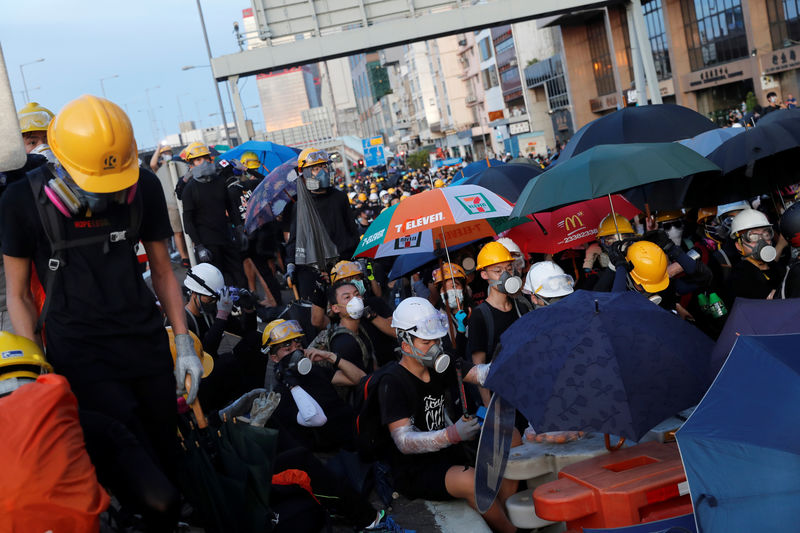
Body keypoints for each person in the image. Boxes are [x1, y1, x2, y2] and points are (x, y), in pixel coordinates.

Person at [1, 95, 202, 531]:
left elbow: (164, 270)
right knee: (128, 466)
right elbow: (17, 295)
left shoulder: (143, 187)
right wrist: (42, 377)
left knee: (166, 451)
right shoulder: (21, 202)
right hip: (79, 355)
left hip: (145, 345)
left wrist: (182, 342)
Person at [379, 297, 517, 533]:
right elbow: (403, 441)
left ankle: (500, 513)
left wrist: (515, 362)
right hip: (416, 468)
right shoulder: (392, 382)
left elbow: (481, 375)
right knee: (470, 481)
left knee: (511, 435)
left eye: (437, 339)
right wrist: (451, 434)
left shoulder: (442, 363)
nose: (435, 346)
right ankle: (511, 530)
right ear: (404, 343)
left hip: (451, 451)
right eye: (426, 341)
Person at [284, 148, 359, 329]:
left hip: (342, 263)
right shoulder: (299, 204)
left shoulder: (340, 197)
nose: (323, 171)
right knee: (315, 318)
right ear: (305, 173)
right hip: (312, 267)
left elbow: (352, 232)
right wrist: (290, 264)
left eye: (324, 166)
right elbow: (294, 240)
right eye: (316, 168)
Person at [264, 319, 364, 452]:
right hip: (336, 452)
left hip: (355, 431)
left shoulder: (315, 371)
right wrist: (291, 383)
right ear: (274, 357)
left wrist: (330, 356)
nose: (296, 353)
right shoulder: (280, 394)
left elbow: (360, 378)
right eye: (288, 349)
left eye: (298, 347)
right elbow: (316, 418)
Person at [467, 241, 527, 406]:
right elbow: (478, 368)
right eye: (498, 271)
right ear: (484, 275)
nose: (505, 275)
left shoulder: (521, 305)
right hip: (502, 398)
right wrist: (490, 409)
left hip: (528, 388)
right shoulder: (479, 316)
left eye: (508, 269)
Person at [181, 141, 247, 287]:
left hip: (226, 237)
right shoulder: (189, 189)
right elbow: (188, 221)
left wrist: (239, 229)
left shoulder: (220, 181)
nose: (203, 163)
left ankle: (247, 308)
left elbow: (231, 208)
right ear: (191, 164)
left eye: (205, 158)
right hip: (207, 243)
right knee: (216, 283)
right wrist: (199, 246)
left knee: (239, 275)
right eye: (198, 160)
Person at [729, 209, 786, 300]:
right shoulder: (740, 276)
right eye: (753, 236)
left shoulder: (774, 266)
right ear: (739, 246)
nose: (762, 241)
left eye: (766, 234)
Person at [149, 144, 190, 267]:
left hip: (183, 202)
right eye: (164, 153)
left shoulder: (178, 165)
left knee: (188, 230)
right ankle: (184, 257)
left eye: (168, 152)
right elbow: (152, 164)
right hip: (171, 205)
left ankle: (191, 252)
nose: (167, 154)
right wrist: (158, 148)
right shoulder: (160, 170)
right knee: (177, 232)